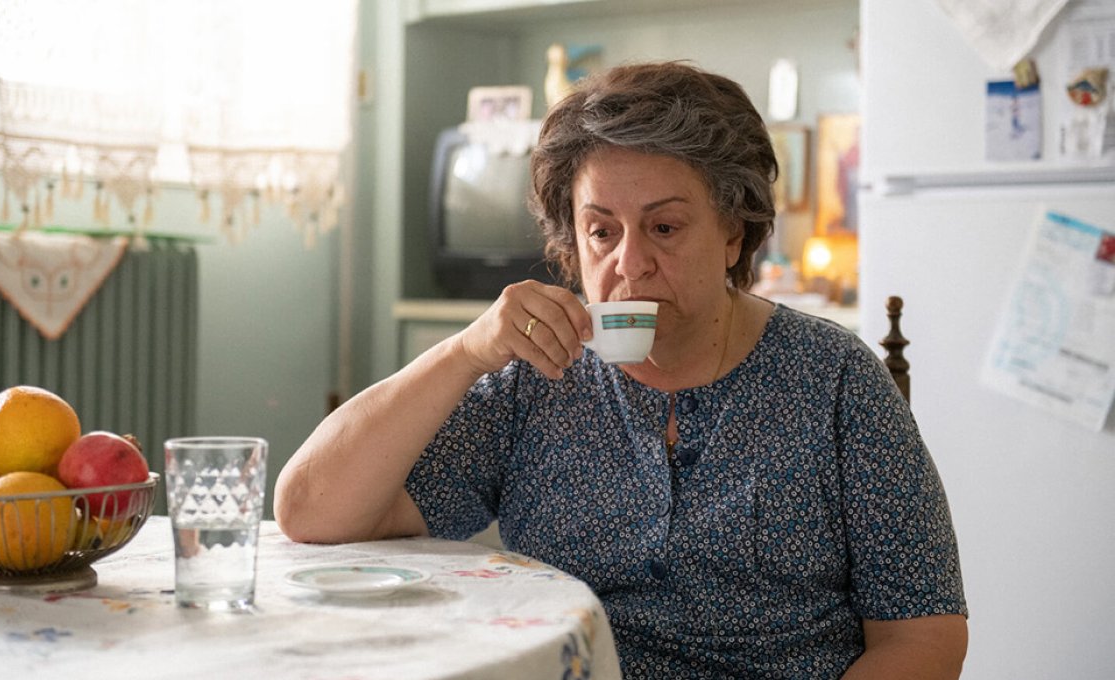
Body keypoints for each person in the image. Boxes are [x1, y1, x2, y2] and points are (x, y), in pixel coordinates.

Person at [275, 61, 968, 679]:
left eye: (664, 228)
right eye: (601, 231)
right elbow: (311, 512)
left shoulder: (834, 379)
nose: (629, 264)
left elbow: (925, 635)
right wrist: (465, 353)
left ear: (733, 233)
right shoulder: (540, 377)